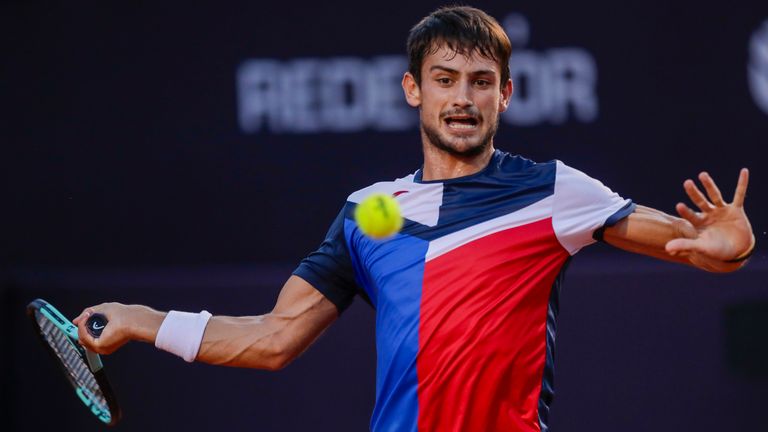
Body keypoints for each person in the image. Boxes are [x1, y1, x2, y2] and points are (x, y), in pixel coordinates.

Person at [74, 5, 755, 432]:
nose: (463, 97)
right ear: (413, 89)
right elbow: (273, 338)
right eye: (445, 78)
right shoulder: (367, 216)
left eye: (481, 81)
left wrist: (728, 241)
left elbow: (699, 246)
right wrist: (143, 319)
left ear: (506, 95)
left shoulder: (553, 190)